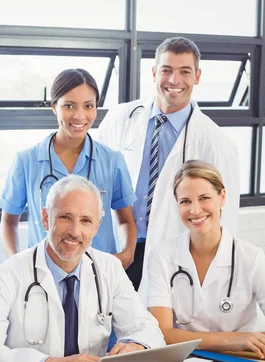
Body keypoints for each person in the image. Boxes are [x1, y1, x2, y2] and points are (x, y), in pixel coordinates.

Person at [0, 175, 165, 362]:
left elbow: (148, 329)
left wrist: (136, 345)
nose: (75, 231)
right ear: (45, 218)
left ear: (96, 227)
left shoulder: (109, 268)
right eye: (65, 217)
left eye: (86, 220)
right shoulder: (7, 275)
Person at [97, 37, 240, 301]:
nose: (174, 80)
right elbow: (92, 181)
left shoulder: (216, 143)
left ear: (197, 76)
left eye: (185, 71)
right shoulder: (121, 118)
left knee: (159, 333)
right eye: (166, 70)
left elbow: (226, 217)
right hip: (116, 249)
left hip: (174, 254)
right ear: (154, 73)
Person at [147, 160, 265, 359]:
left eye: (204, 198)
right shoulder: (162, 255)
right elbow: (162, 333)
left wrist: (236, 343)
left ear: (222, 197)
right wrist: (235, 340)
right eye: (185, 201)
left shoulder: (251, 258)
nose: (195, 210)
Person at [0, 68, 137, 268]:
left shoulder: (113, 161)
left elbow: (126, 220)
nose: (79, 116)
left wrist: (127, 254)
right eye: (69, 106)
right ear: (54, 107)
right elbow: (9, 222)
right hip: (43, 274)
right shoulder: (26, 161)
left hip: (98, 273)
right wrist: (17, 263)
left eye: (88, 106)